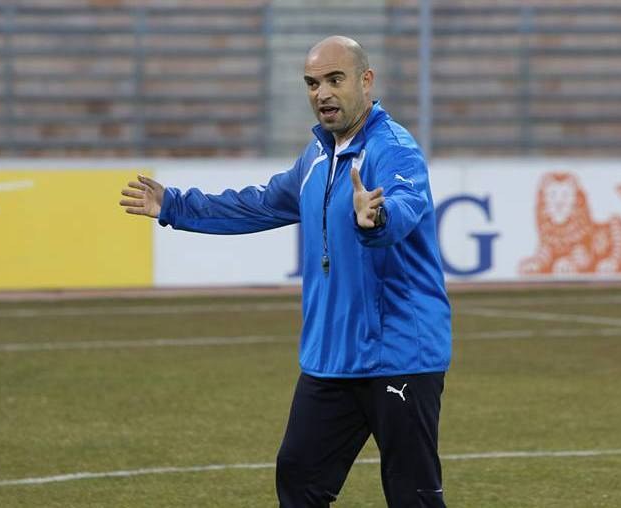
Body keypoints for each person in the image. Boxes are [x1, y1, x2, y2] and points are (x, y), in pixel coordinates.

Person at [119, 35, 451, 508]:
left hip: (399, 354)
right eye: (313, 84)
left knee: (412, 496)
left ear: (366, 80)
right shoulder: (315, 158)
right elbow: (256, 204)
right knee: (298, 480)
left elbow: (404, 203)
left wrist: (374, 218)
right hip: (331, 357)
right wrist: (174, 205)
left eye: (335, 80)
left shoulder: (393, 148)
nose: (323, 94)